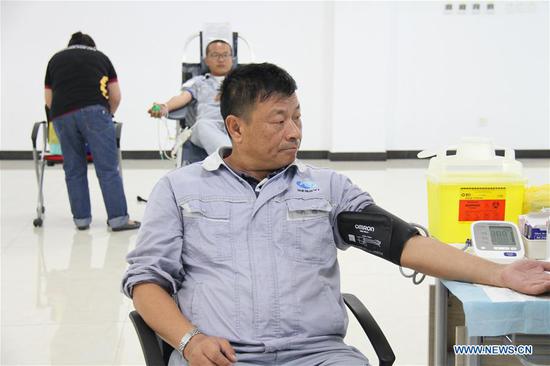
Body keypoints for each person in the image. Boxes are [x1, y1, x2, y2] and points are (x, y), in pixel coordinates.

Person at [122, 63, 550, 366]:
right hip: (220, 355)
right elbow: (146, 282)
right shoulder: (180, 189)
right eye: (278, 121)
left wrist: (500, 273)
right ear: (235, 127)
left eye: (298, 117)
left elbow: (401, 243)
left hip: (317, 355)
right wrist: (189, 340)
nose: (294, 132)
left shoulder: (327, 189)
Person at [44, 31, 140, 231]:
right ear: (92, 46)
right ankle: (118, 219)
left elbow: (49, 98)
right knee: (107, 168)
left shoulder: (55, 60)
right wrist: (108, 115)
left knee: (73, 169)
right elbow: (115, 95)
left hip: (62, 115)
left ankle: (81, 220)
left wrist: (60, 117)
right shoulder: (100, 57)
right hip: (95, 112)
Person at [148, 39, 233, 155]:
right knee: (203, 124)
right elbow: (182, 97)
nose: (221, 59)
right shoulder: (198, 82)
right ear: (206, 60)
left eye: (225, 55)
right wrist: (165, 107)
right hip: (208, 126)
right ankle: (231, 158)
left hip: (236, 126)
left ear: (232, 59)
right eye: (215, 55)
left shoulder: (243, 82)